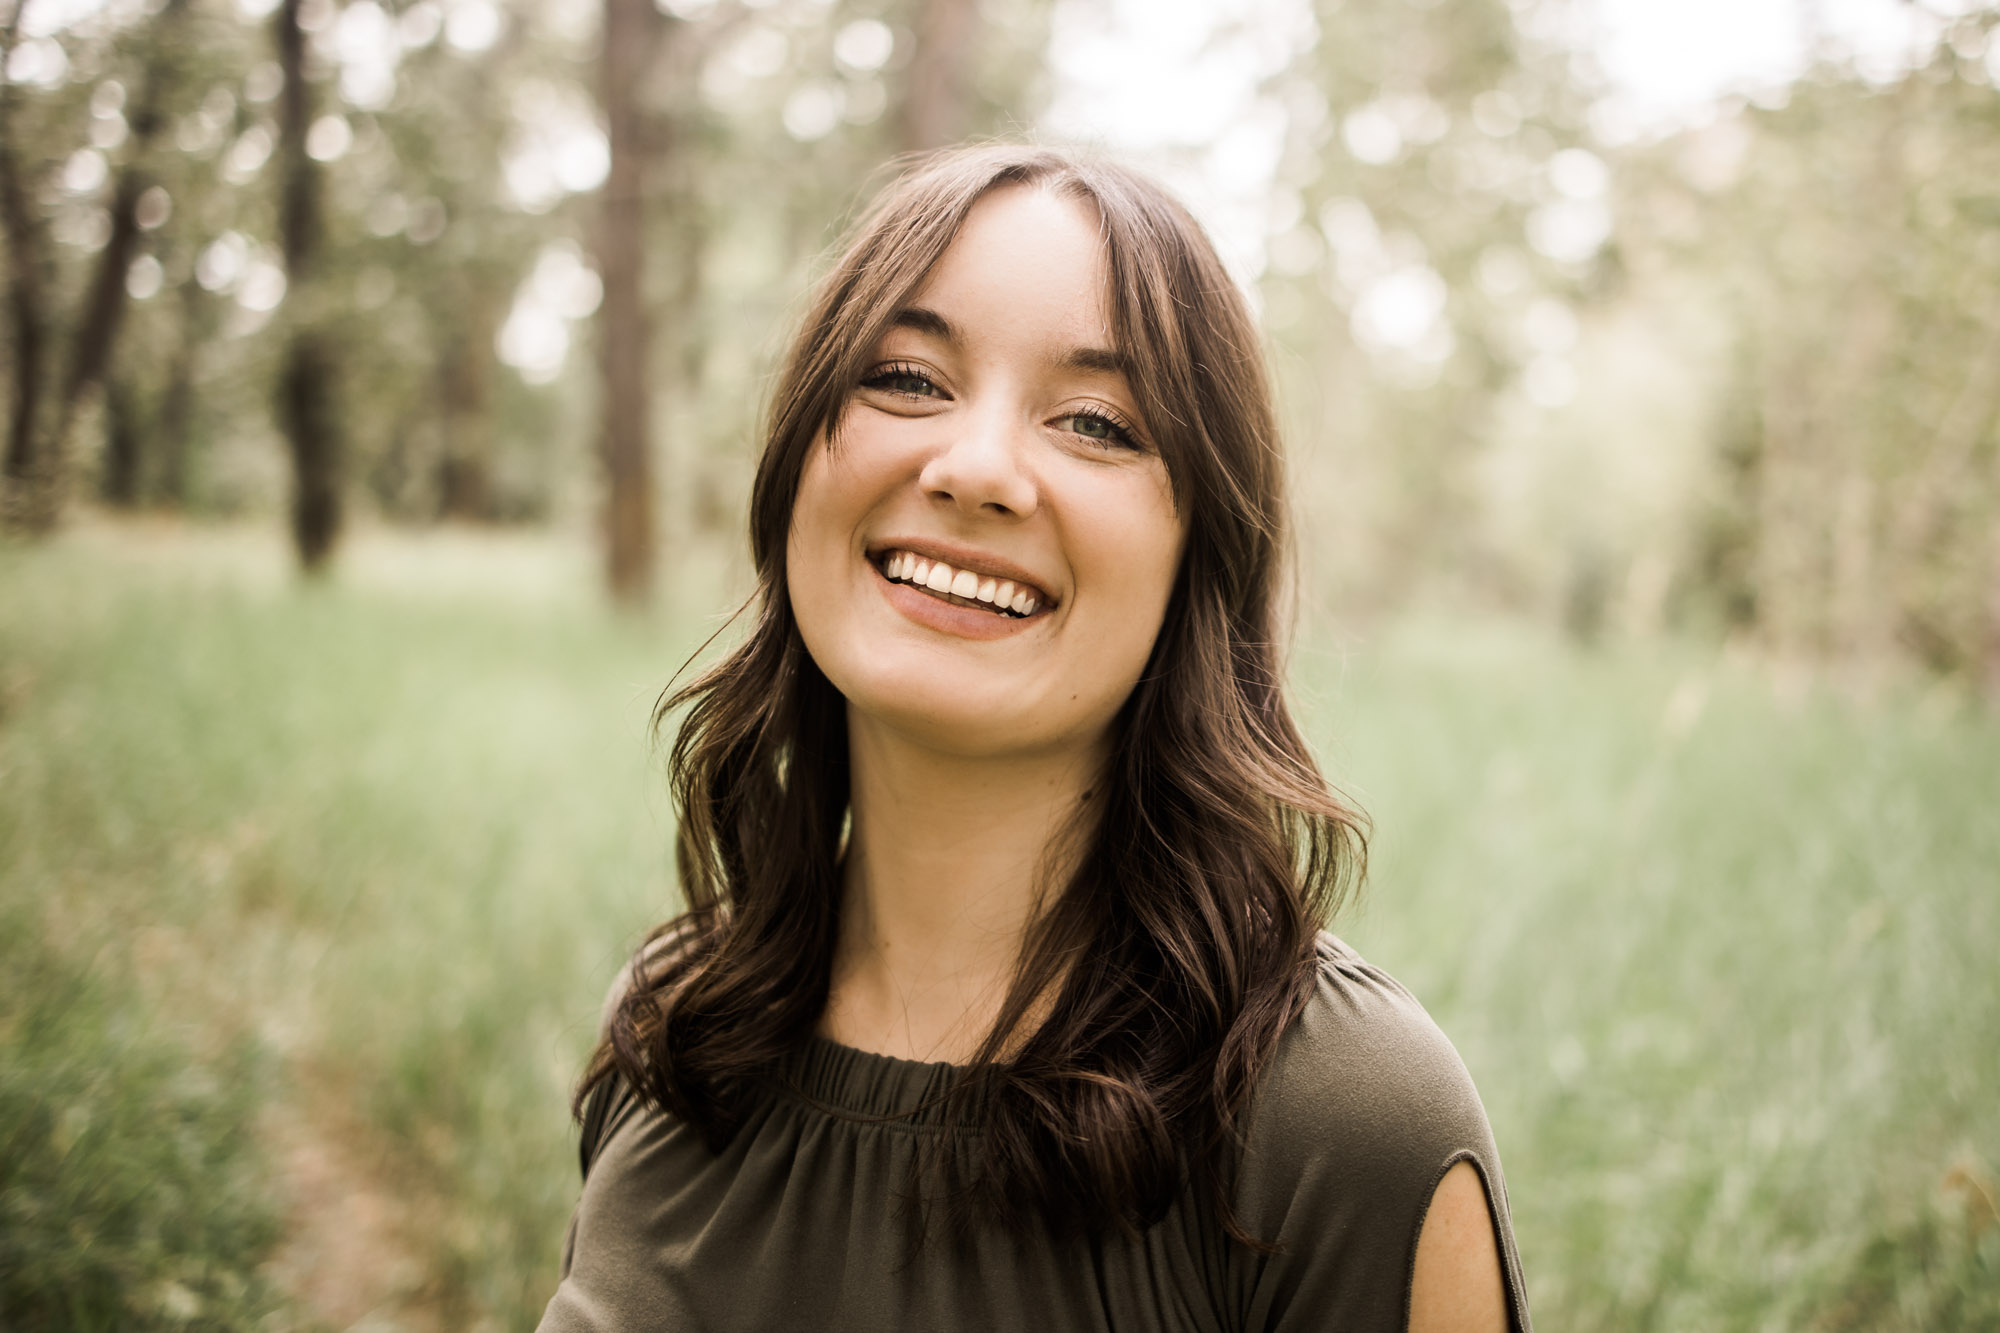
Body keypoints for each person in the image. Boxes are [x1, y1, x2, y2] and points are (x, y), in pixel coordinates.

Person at [538, 145, 1530, 1332]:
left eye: (1097, 423)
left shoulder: (1338, 1122)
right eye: (905, 377)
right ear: (797, 460)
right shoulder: (676, 1022)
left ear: (1198, 559)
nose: (974, 469)